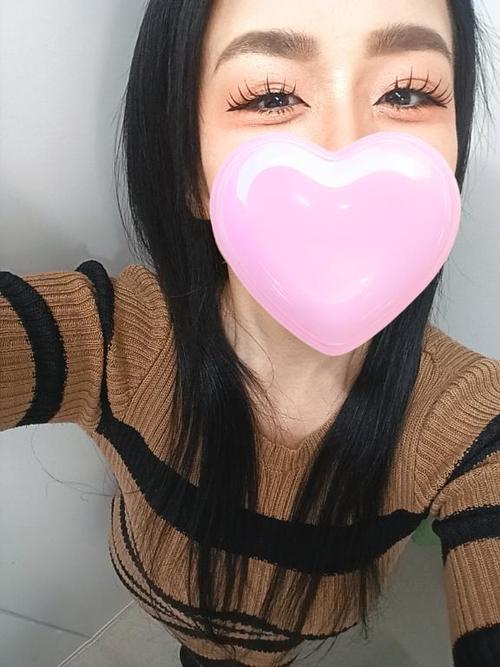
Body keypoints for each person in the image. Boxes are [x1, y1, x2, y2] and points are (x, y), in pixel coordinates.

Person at [1, 1, 499, 666]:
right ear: (191, 172)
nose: (348, 153)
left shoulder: (468, 420)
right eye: (270, 96)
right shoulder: (115, 334)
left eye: (407, 93)